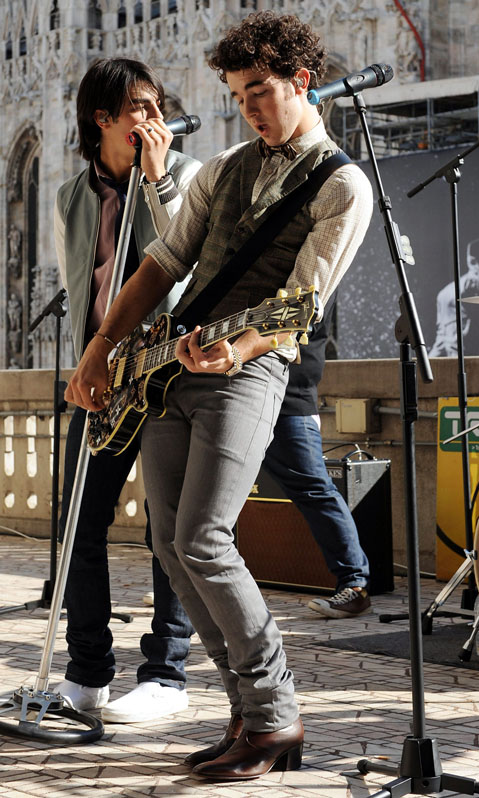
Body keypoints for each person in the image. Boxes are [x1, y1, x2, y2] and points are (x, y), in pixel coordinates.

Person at [65, 12, 373, 781]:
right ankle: (247, 713)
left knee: (203, 538)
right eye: (238, 96)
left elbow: (301, 305)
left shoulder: (343, 184)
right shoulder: (227, 166)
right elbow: (163, 264)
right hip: (175, 365)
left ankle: (274, 713)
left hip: (252, 371)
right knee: (170, 544)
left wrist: (237, 348)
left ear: (302, 81)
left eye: (260, 90)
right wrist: (100, 348)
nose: (249, 108)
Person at [53, 57, 201, 723]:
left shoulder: (186, 176)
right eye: (139, 107)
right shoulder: (71, 196)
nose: (154, 117)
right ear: (102, 118)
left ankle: (167, 674)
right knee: (79, 524)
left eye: (157, 105)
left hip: (166, 374)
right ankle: (86, 674)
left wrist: (157, 179)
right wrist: (88, 364)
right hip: (104, 380)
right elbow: (82, 290)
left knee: (166, 529)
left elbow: (185, 260)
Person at [262, 293, 372, 618]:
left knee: (315, 490)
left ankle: (355, 586)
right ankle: (179, 585)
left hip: (289, 399)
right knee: (193, 490)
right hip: (235, 394)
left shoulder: (317, 270)